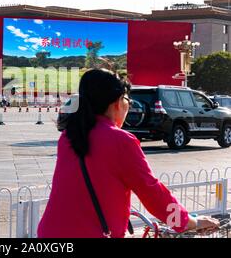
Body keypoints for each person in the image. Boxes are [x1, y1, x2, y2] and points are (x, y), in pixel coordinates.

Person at [37, 69, 219, 238]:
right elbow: (152, 193)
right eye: (128, 100)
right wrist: (188, 222)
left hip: (50, 232)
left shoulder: (69, 135)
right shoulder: (120, 140)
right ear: (117, 102)